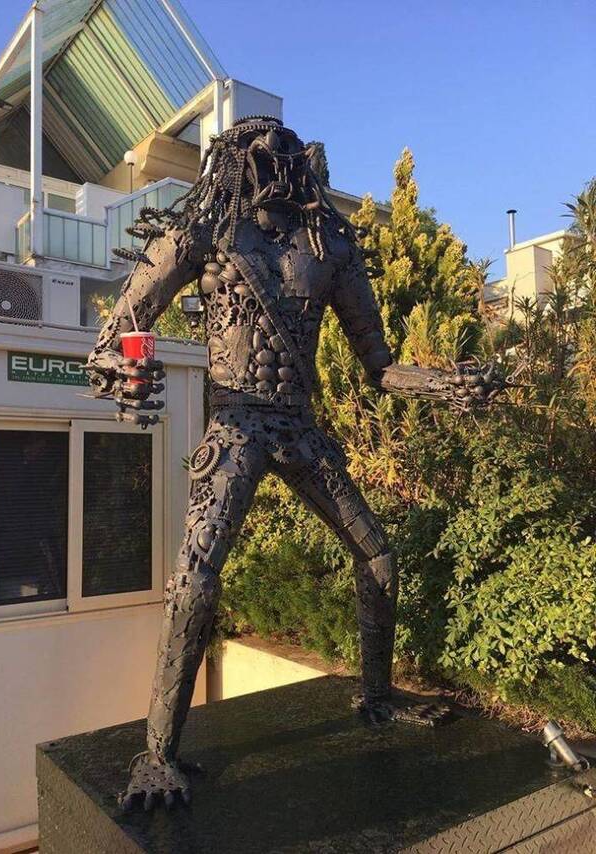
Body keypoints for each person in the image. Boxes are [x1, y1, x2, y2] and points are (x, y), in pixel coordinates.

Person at [87, 116, 503, 810]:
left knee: (378, 557)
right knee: (195, 580)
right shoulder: (205, 230)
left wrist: (446, 384)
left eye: (285, 148)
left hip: (298, 425)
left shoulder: (330, 246)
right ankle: (157, 754)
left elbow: (379, 366)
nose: (275, 159)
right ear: (233, 160)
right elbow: (114, 338)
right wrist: (125, 375)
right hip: (236, 423)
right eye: (260, 147)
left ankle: (376, 697)